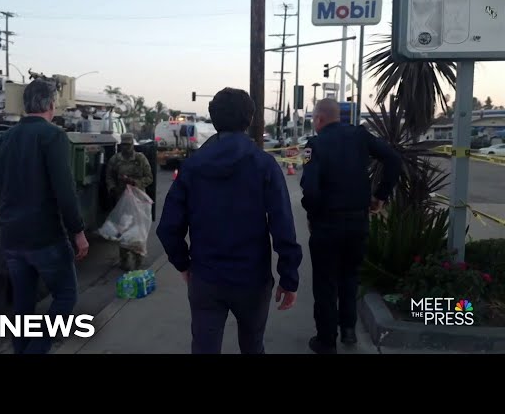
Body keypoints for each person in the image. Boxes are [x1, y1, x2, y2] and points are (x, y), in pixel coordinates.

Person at [157, 87, 303, 355]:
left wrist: (184, 265)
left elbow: (168, 227)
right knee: (252, 345)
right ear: (249, 119)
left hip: (206, 277)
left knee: (204, 347)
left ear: (214, 119)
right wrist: (289, 276)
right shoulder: (265, 165)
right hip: (253, 279)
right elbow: (283, 225)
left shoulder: (193, 166)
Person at [0, 78, 90, 355]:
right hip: (44, 236)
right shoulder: (53, 136)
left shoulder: (4, 139)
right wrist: (78, 232)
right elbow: (64, 190)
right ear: (50, 104)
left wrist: (4, 221)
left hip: (11, 236)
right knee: (66, 296)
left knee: (23, 304)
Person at [300, 98, 400, 355]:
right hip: (357, 221)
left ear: (319, 119)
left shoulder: (314, 145)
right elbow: (392, 158)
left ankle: (325, 341)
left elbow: (310, 189)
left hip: (327, 224)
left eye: (314, 118)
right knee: (349, 276)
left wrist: (312, 214)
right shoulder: (360, 136)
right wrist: (381, 195)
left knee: (325, 283)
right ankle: (348, 330)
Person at [105, 132, 153, 271]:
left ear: (133, 145)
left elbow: (149, 178)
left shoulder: (140, 159)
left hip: (138, 200)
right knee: (124, 230)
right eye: (124, 145)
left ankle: (138, 260)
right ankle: (124, 260)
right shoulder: (116, 160)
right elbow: (109, 176)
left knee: (138, 231)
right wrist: (112, 188)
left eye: (128, 145)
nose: (126, 148)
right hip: (122, 200)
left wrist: (134, 182)